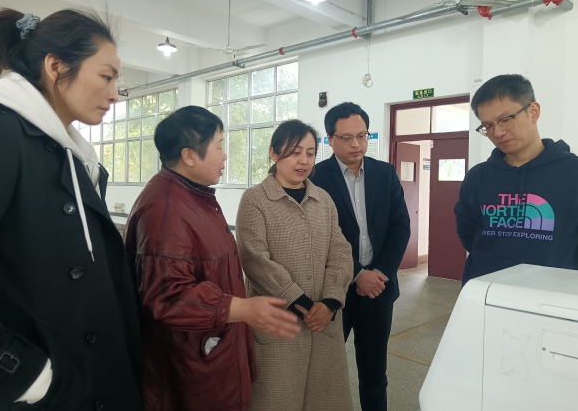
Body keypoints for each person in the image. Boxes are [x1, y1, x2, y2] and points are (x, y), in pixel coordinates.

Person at [0, 9, 142, 409]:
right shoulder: (1, 132)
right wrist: (21, 372)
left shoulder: (72, 153)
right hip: (46, 388)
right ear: (56, 66)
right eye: (106, 76)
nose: (115, 93)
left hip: (86, 371)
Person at [124, 106, 300, 411]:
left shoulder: (193, 197)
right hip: (190, 368)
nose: (225, 155)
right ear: (190, 155)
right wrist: (242, 308)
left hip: (212, 352)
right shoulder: (166, 210)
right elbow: (168, 296)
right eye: (219, 146)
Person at [235, 119, 354, 411]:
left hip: (322, 323)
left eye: (310, 153)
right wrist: (301, 302)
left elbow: (340, 252)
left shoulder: (323, 200)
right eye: (294, 152)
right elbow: (254, 258)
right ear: (274, 153)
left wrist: (330, 301)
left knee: (325, 400)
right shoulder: (255, 199)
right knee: (277, 399)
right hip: (279, 325)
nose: (304, 161)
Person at [311, 102, 411, 411]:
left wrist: (380, 273)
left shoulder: (384, 173)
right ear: (330, 139)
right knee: (324, 372)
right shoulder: (316, 177)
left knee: (374, 374)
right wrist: (356, 273)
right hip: (334, 291)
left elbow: (400, 227)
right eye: (346, 137)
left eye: (362, 135)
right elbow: (317, 236)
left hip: (378, 290)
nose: (356, 144)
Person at [455, 73, 578, 284]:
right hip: (485, 292)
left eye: (505, 120)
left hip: (554, 296)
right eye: (488, 126)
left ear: (533, 112)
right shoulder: (477, 177)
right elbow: (468, 234)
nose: (498, 133)